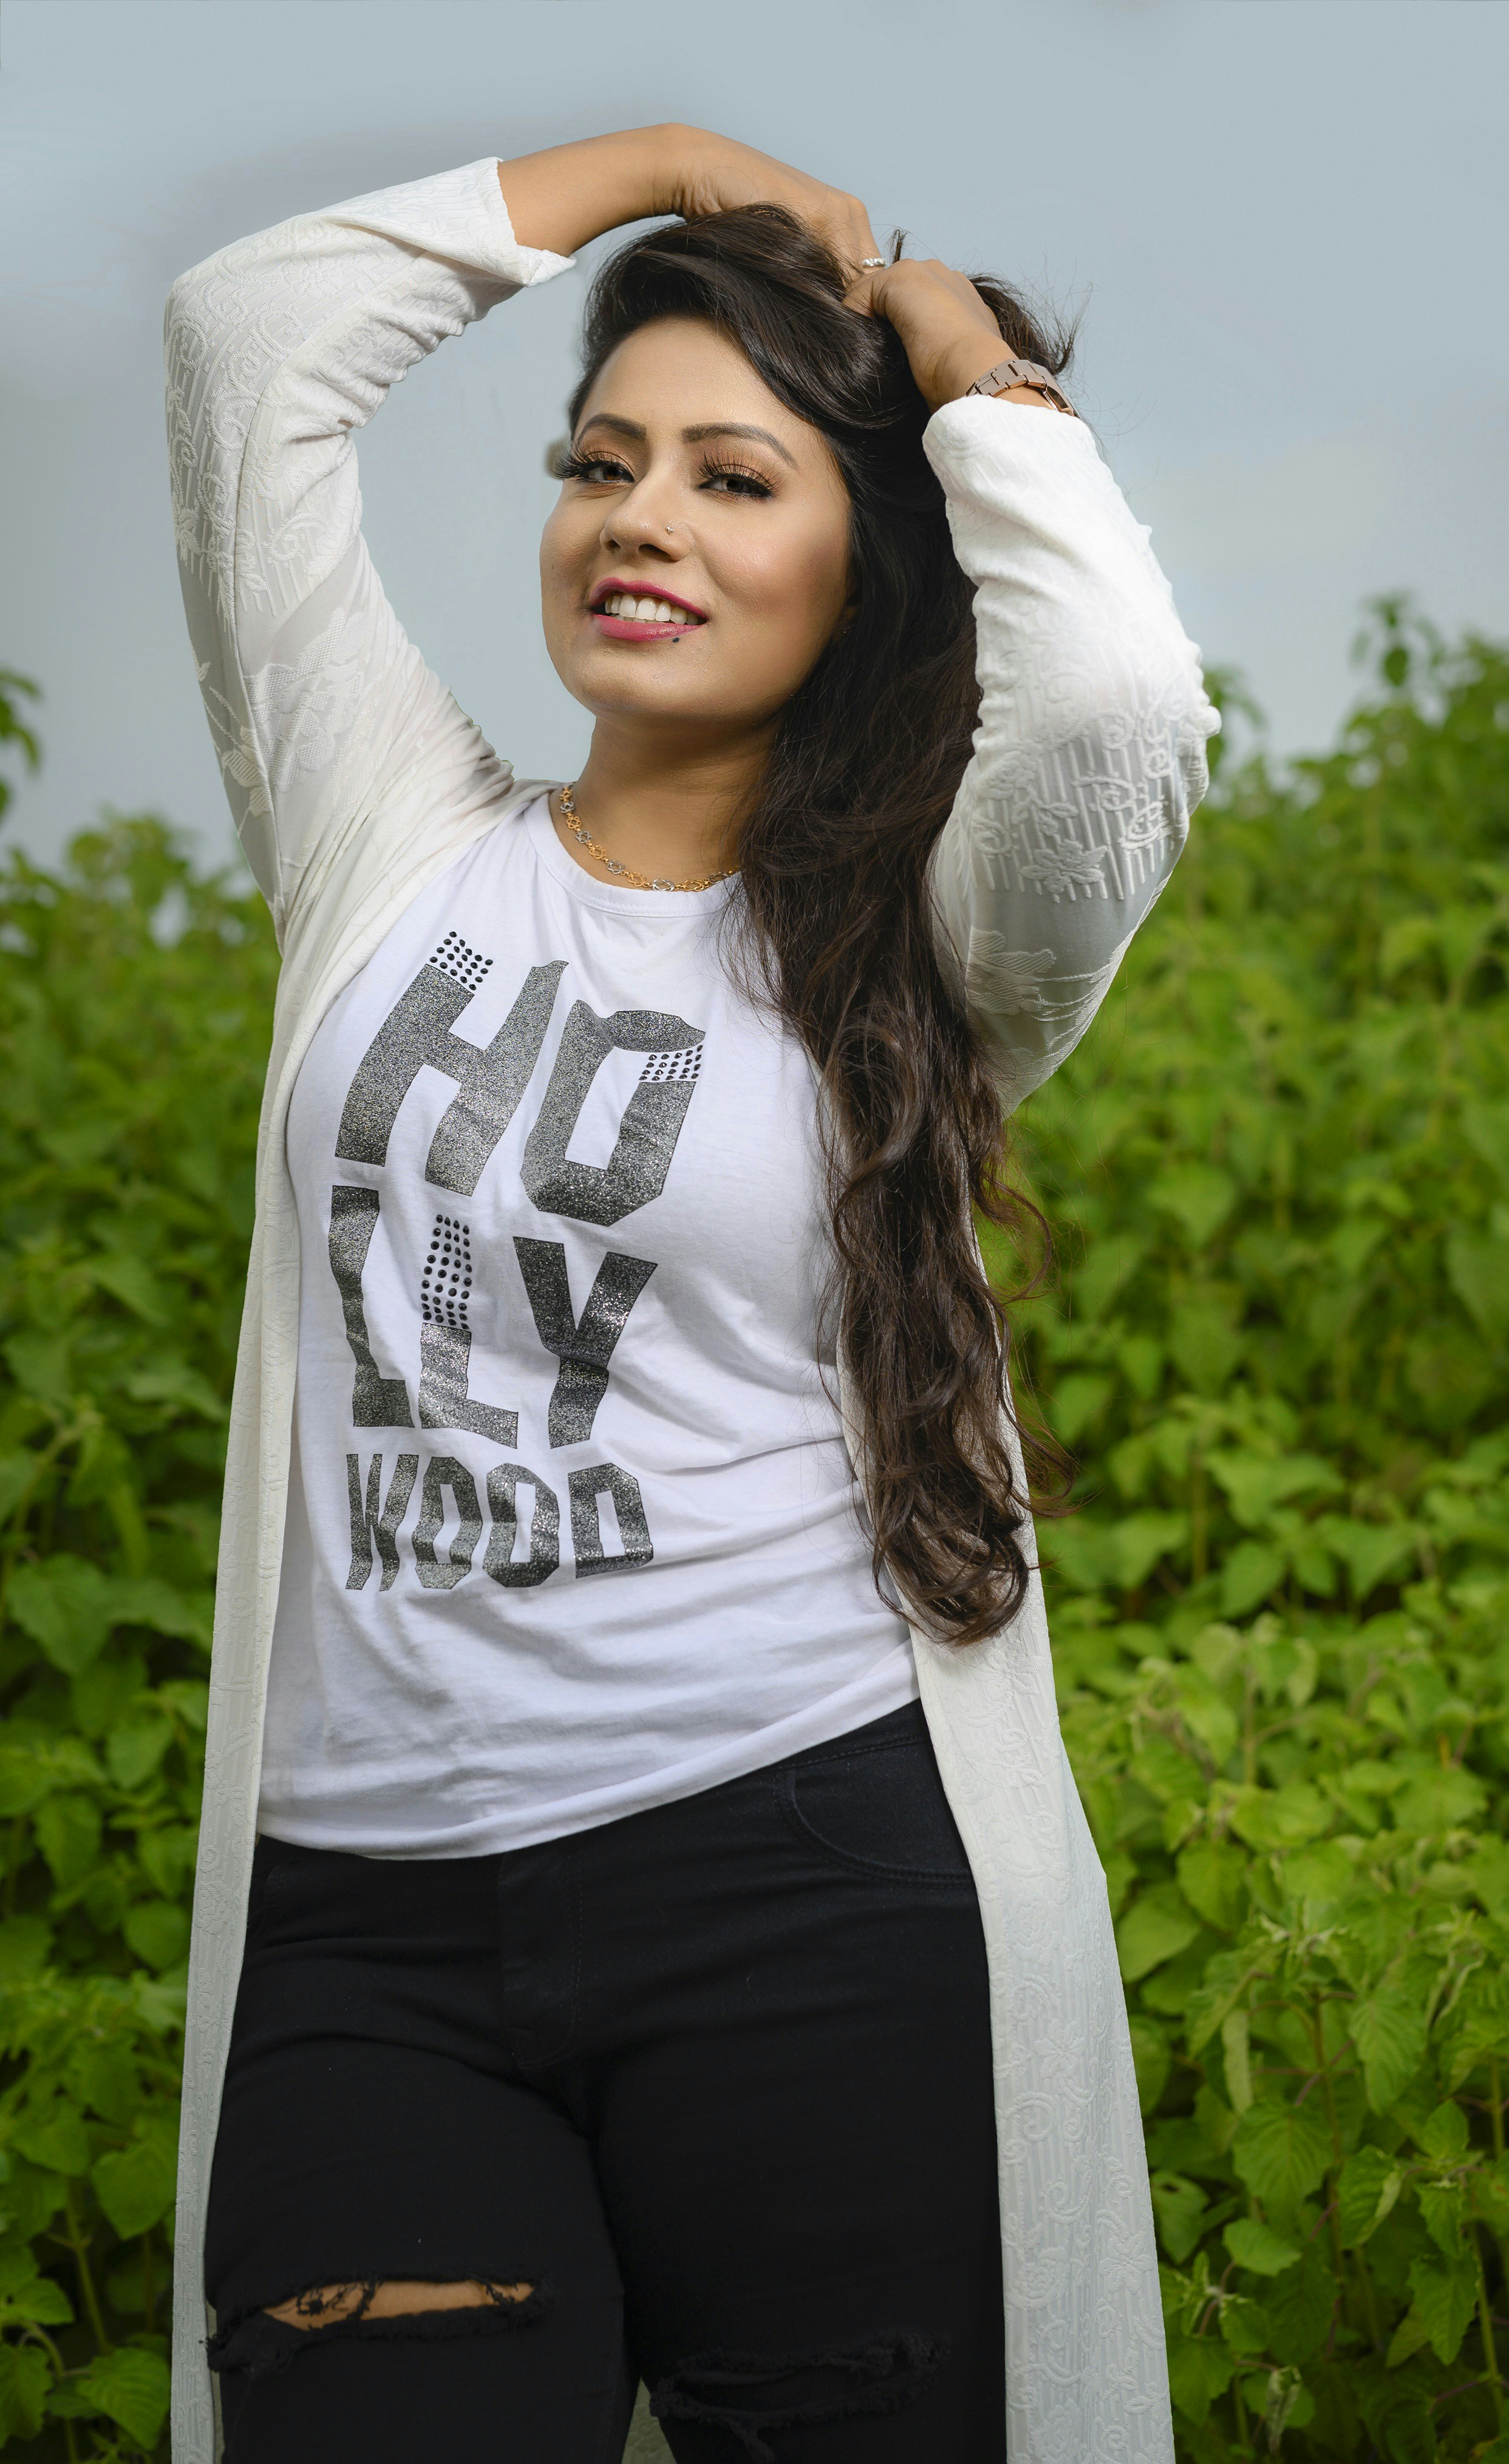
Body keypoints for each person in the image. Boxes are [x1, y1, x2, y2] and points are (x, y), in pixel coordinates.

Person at [162, 123, 1216, 2464]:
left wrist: (953, 350)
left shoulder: (935, 948)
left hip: (803, 1882)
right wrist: (645, 164)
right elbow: (248, 348)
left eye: (739, 477)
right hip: (372, 1927)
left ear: (874, 560)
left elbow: (1124, 707)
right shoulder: (386, 841)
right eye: (602, 459)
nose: (642, 517)